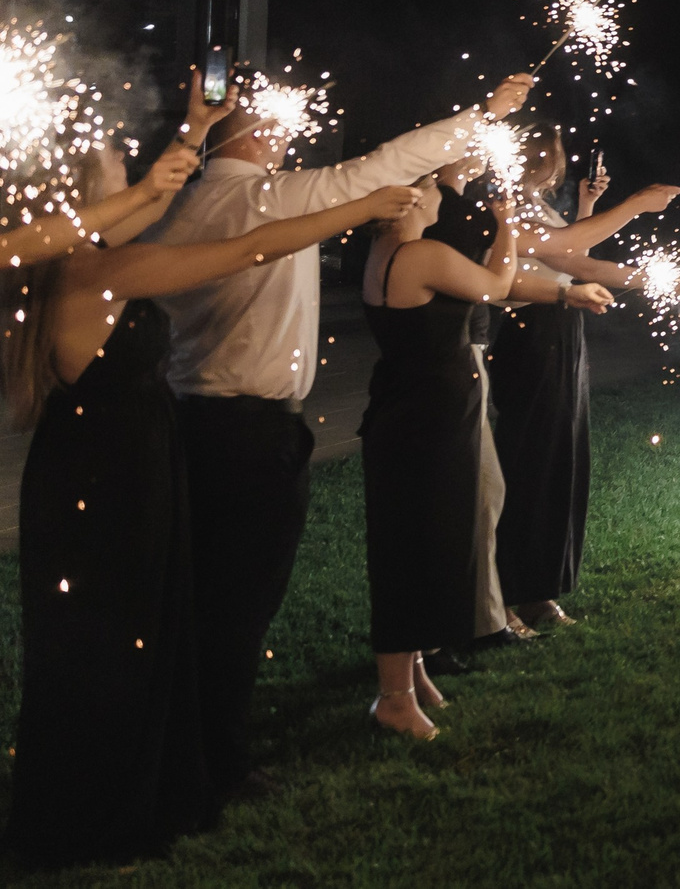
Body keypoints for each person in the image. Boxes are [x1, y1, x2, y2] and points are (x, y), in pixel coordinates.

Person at [6, 110, 415, 866]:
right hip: (107, 479)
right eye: (113, 171)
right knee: (108, 644)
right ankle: (101, 818)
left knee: (130, 637)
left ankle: (132, 789)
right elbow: (249, 246)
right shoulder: (93, 270)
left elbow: (159, 204)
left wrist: (195, 129)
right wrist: (360, 206)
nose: (132, 177)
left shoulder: (86, 257)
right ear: (78, 195)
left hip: (111, 467)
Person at [145, 69, 534, 798]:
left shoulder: (189, 204)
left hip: (191, 420)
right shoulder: (266, 195)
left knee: (203, 597)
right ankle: (217, 767)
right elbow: (380, 166)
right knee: (238, 603)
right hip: (251, 431)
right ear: (251, 133)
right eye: (274, 123)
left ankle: (189, 746)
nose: (288, 134)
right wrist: (481, 113)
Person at [359, 172, 525, 739]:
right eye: (431, 187)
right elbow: (497, 285)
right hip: (427, 421)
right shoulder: (422, 252)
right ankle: (394, 699)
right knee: (413, 552)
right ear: (409, 199)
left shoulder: (382, 251)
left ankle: (415, 676)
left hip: (407, 412)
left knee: (417, 545)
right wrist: (508, 228)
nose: (440, 196)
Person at [489, 129, 665, 629]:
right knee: (530, 463)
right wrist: (633, 206)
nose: (558, 163)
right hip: (532, 332)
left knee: (562, 459)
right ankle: (503, 596)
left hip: (561, 330)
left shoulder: (535, 205)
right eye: (552, 153)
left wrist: (590, 208)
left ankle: (538, 591)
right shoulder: (506, 206)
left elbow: (568, 258)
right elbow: (567, 256)